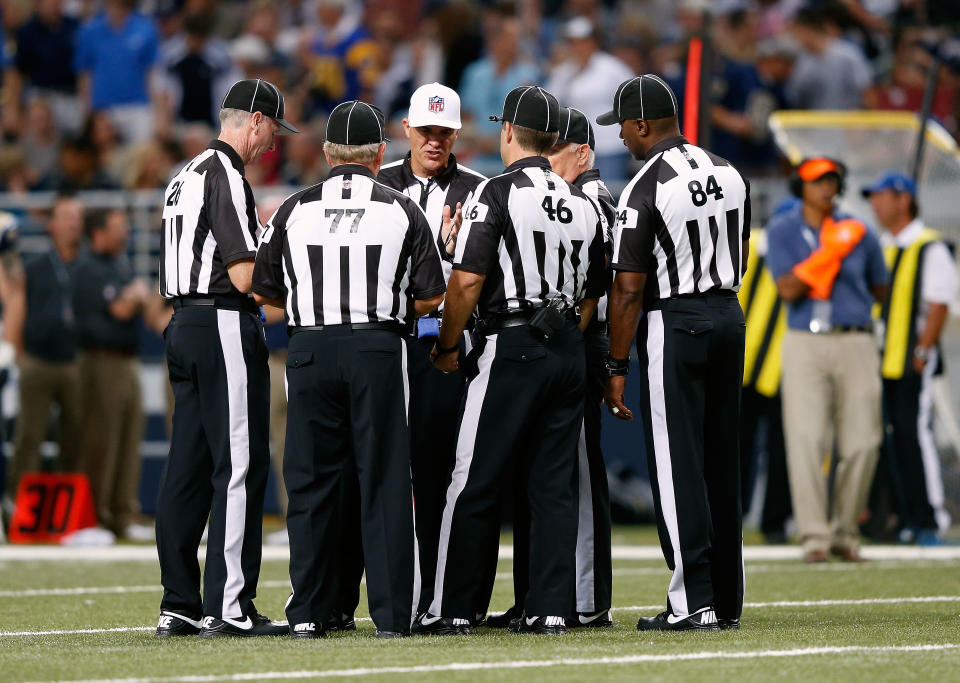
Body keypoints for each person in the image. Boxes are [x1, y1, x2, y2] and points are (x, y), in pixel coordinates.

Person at [252, 100, 446, 639]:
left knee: (312, 485)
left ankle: (313, 611)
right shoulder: (403, 208)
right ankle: (390, 617)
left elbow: (266, 296)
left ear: (327, 153)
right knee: (383, 480)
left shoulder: (292, 208)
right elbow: (432, 298)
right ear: (381, 152)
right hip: (377, 349)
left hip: (311, 351)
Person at [419, 85, 606, 636]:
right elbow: (596, 288)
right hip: (567, 344)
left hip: (514, 341)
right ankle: (551, 606)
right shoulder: (581, 200)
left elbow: (468, 280)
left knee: (472, 477)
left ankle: (452, 606)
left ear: (507, 132)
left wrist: (448, 345)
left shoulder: (495, 192)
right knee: (552, 485)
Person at [599, 74, 750, 632]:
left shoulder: (645, 184)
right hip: (728, 315)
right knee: (720, 460)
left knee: (674, 464)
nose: (621, 139)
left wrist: (616, 365)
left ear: (642, 124)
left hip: (675, 321)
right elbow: (742, 249)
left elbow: (629, 287)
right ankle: (726, 599)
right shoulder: (730, 171)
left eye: (623, 128)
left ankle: (695, 601)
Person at [154, 78, 298, 639]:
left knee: (186, 467)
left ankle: (180, 602)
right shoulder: (226, 175)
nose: (270, 145)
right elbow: (243, 274)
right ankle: (230, 605)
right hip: (220, 321)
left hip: (183, 323)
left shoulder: (183, 174)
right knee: (238, 464)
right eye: (271, 132)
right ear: (256, 120)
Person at [377, 81, 489, 621]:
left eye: (444, 131)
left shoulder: (480, 189)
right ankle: (397, 595)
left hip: (451, 351)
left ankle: (443, 597)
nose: (435, 141)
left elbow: (487, 277)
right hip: (392, 348)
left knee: (447, 475)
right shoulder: (379, 187)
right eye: (426, 131)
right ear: (407, 130)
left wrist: (452, 258)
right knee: (389, 475)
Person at [766, 157, 889, 564]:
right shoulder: (784, 230)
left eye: (832, 180)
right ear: (801, 186)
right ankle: (814, 536)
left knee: (863, 443)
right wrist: (829, 253)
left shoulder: (860, 231)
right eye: (818, 181)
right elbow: (787, 289)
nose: (826, 188)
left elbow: (879, 286)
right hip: (805, 341)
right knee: (805, 439)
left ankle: (846, 531)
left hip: (855, 339)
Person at [864, 171, 957, 545]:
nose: (875, 203)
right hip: (883, 358)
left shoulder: (929, 245)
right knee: (894, 438)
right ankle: (904, 517)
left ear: (904, 200)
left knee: (915, 435)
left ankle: (930, 517)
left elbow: (938, 304)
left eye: (881, 195)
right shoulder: (885, 245)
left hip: (910, 358)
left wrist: (923, 350)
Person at [73, 208, 152, 541]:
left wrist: (134, 297)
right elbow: (121, 308)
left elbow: (135, 301)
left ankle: (123, 513)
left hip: (126, 359)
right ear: (98, 232)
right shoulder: (87, 267)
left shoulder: (119, 263)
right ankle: (96, 516)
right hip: (100, 361)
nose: (125, 234)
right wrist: (134, 296)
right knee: (101, 441)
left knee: (129, 437)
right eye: (118, 227)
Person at [4, 196, 84, 508]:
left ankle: (68, 509)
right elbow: (18, 309)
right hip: (37, 360)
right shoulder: (35, 267)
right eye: (66, 217)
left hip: (75, 360)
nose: (73, 223)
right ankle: (19, 506)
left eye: (77, 217)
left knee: (75, 437)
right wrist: (21, 355)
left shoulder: (88, 265)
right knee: (29, 436)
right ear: (52, 224)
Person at [738, 213, 791, 544]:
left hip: (783, 367)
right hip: (742, 363)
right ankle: (735, 516)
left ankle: (775, 521)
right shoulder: (752, 244)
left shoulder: (809, 249)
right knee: (733, 446)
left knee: (782, 449)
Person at [545, 17, 634, 180]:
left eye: (582, 41)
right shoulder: (564, 71)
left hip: (610, 146)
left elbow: (634, 96)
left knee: (608, 196)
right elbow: (550, 103)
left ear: (593, 42)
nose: (577, 47)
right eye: (572, 42)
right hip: (576, 147)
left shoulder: (612, 67)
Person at [74, 0, 160, 143]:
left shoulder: (146, 29)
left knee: (143, 152)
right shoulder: (89, 31)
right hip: (103, 108)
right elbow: (85, 74)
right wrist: (86, 109)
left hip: (137, 106)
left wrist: (158, 112)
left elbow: (152, 74)